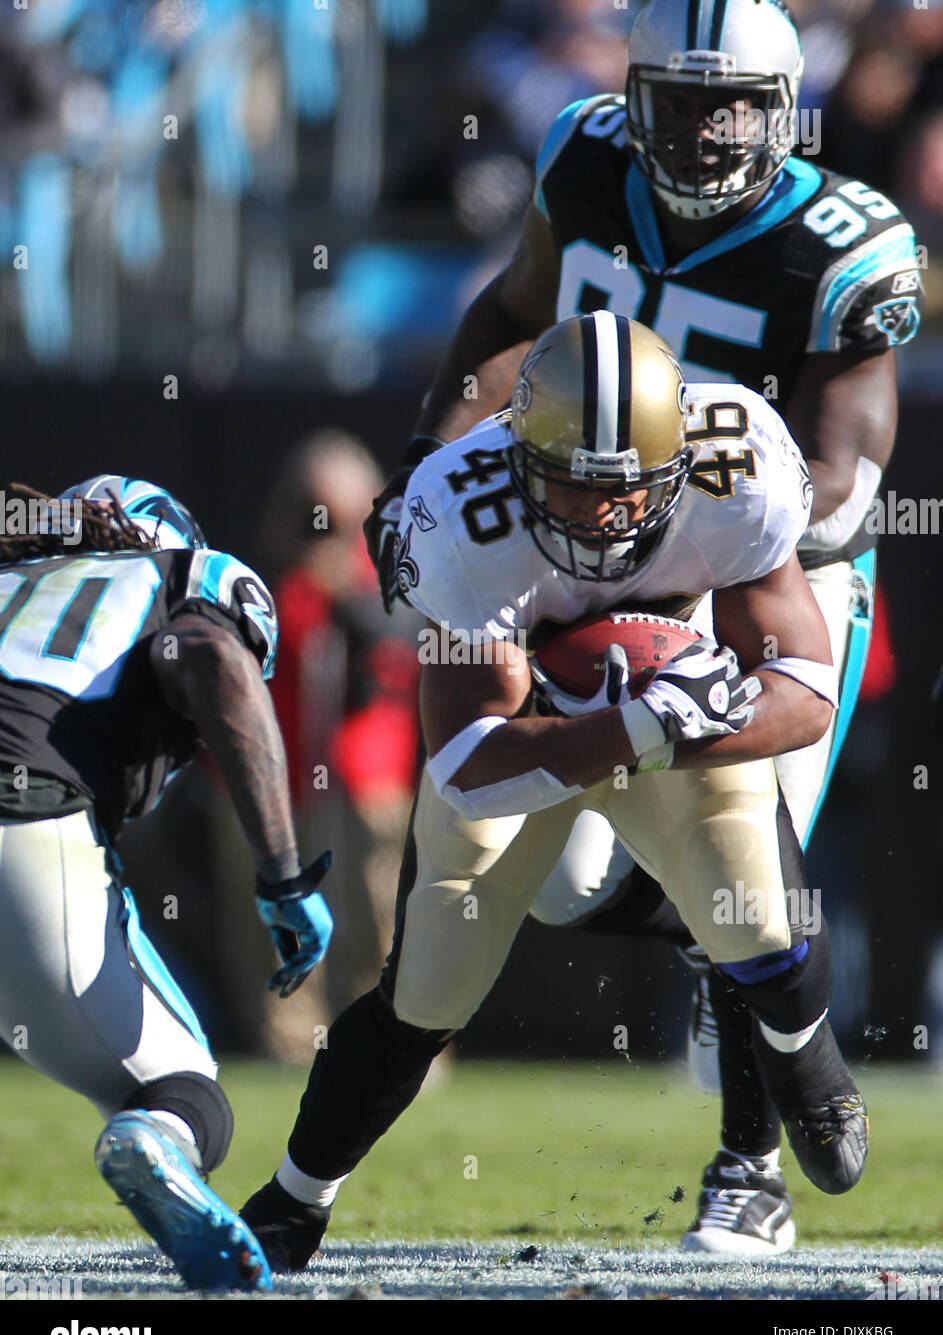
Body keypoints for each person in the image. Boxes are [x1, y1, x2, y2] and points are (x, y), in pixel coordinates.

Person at [363, 0, 922, 1255]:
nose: (708, 126)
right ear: (632, 90)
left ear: (784, 110)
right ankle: (737, 945)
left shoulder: (840, 245)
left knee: (750, 835)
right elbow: (508, 320)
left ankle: (750, 1163)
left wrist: (686, 564)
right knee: (562, 883)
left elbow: (844, 471)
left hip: (762, 548)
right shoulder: (584, 155)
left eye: (733, 102)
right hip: (581, 529)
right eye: (681, 96)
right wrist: (422, 463)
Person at [241, 313, 867, 1271]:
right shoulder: (455, 515)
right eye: (572, 485)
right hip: (534, 729)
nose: (600, 516)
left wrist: (696, 715)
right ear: (516, 455)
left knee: (759, 915)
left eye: (625, 491)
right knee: (429, 984)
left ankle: (800, 1041)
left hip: (676, 716)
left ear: (677, 462)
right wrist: (635, 727)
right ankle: (294, 1198)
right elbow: (466, 763)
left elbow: (807, 688)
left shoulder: (735, 468)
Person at [0, 476, 333, 1292]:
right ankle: (153, 1138)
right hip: (23, 813)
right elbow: (215, 659)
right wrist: (282, 873)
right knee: (179, 1090)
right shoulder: (187, 573)